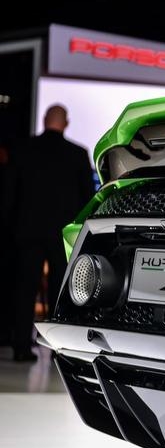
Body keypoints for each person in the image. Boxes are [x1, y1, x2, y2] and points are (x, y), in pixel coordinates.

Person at [4, 105, 95, 362]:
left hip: (27, 232)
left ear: (44, 120)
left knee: (25, 290)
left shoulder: (23, 149)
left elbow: (9, 195)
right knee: (60, 292)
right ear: (66, 123)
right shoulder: (78, 154)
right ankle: (59, 350)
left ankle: (21, 346)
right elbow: (88, 200)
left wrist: (10, 228)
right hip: (62, 235)